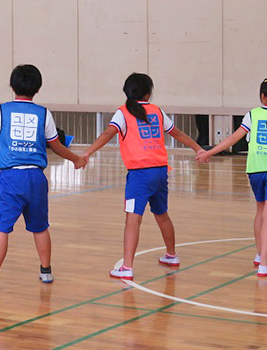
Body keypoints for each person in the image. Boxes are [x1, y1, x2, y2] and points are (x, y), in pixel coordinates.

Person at [0, 64, 86, 291]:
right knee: (40, 226)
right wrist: (76, 159)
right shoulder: (43, 113)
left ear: (12, 85)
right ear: (38, 88)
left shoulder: (1, 110)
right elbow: (56, 146)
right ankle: (46, 271)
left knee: (1, 228)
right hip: (36, 178)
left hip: (11, 179)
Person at [84, 73, 201, 280]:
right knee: (162, 214)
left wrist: (87, 153)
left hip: (140, 175)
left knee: (132, 219)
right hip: (160, 171)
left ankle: (127, 267)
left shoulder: (123, 113)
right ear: (148, 93)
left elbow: (106, 134)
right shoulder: (156, 111)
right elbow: (177, 133)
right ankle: (171, 255)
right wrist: (197, 148)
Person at [195, 78, 267, 277]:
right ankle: (264, 264)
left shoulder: (252, 115)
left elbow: (232, 139)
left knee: (261, 210)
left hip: (255, 170)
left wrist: (209, 152)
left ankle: (259, 255)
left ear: (262, 97)